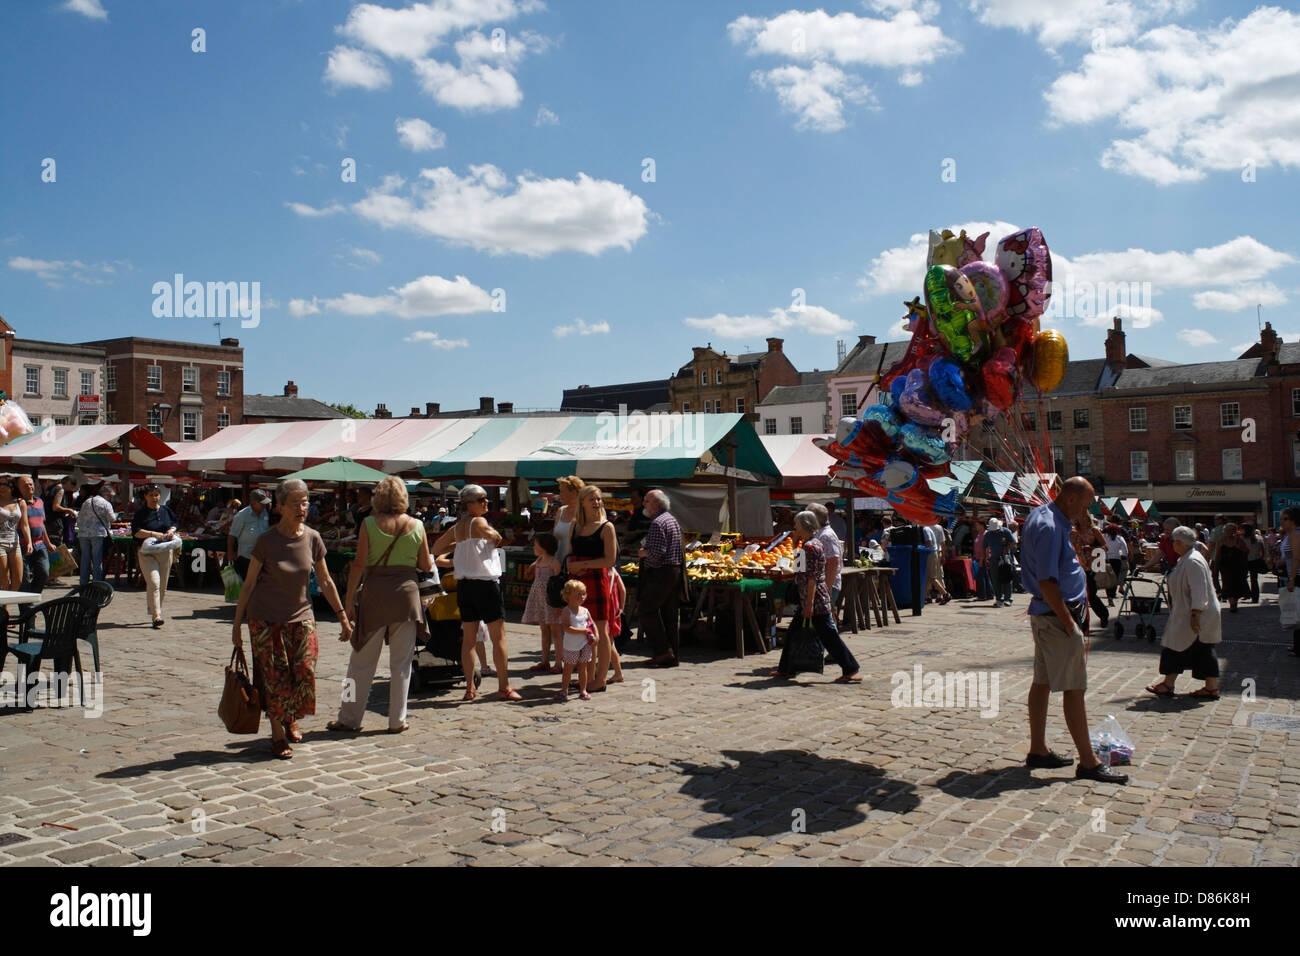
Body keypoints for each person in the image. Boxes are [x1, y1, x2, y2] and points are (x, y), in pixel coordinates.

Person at [232, 479, 352, 759]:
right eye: (296, 503)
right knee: (275, 680)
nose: (302, 507)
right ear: (281, 507)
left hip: (301, 616)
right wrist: (237, 624)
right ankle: (277, 733)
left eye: (305, 502)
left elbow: (325, 580)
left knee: (305, 671)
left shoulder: (312, 537)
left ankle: (289, 715)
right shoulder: (266, 541)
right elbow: (248, 585)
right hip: (265, 620)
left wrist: (343, 617)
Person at [1020, 476, 1127, 784]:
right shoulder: (1051, 526)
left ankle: (1038, 748)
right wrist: (1070, 624)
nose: (1087, 510)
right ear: (1070, 499)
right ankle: (1088, 762)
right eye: (1085, 504)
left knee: (1041, 682)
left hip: (1048, 615)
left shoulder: (1044, 514)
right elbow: (1047, 581)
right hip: (1056, 617)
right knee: (1074, 687)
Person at [329, 476, 432, 734]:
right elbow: (426, 565)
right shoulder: (417, 525)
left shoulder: (369, 524)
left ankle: (349, 717)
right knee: (401, 662)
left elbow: (359, 564)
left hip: (375, 595)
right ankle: (397, 719)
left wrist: (349, 598)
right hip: (406, 598)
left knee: (359, 661)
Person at [430, 484, 521, 702]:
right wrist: (492, 534)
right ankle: (504, 686)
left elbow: (436, 550)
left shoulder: (458, 526)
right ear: (470, 504)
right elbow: (497, 538)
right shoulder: (479, 521)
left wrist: (462, 545)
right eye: (481, 499)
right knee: (499, 637)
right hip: (485, 584)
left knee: (468, 640)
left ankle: (470, 688)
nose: (486, 502)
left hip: (465, 587)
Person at [770, 510, 861, 683]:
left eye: (796, 524)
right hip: (808, 597)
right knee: (792, 633)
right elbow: (799, 570)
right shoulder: (808, 544)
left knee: (829, 636)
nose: (794, 527)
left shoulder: (811, 546)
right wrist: (795, 544)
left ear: (804, 525)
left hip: (815, 599)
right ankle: (786, 669)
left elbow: (811, 578)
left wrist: (809, 605)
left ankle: (850, 667)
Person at [1146, 526, 1221, 701]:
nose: (1171, 544)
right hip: (1186, 613)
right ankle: (1173, 683)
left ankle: (1176, 684)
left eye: (1173, 541)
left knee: (1190, 648)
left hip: (1196, 613)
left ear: (1179, 543)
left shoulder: (1193, 561)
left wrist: (1195, 614)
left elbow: (1198, 589)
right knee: (1184, 647)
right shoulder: (1186, 559)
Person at [566, 485, 624, 691]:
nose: (596, 502)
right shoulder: (576, 526)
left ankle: (600, 679)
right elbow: (570, 552)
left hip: (597, 580)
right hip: (579, 581)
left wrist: (582, 565)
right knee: (583, 631)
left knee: (601, 632)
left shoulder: (606, 527)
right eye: (591, 499)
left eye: (598, 499)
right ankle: (587, 678)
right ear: (582, 502)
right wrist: (572, 565)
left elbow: (610, 560)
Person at [639, 489, 684, 668]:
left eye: (647, 501)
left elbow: (657, 554)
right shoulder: (671, 519)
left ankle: (662, 651)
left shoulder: (658, 523)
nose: (644, 504)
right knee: (669, 614)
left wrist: (644, 554)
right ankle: (673, 654)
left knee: (647, 610)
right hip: (673, 571)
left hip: (661, 572)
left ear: (656, 504)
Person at [131, 484, 179, 628]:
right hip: (147, 552)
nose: (154, 498)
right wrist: (152, 534)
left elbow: (174, 522)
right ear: (145, 497)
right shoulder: (140, 513)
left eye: (156, 494)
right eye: (151, 495)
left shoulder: (165, 510)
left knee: (163, 585)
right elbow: (136, 532)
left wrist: (171, 530)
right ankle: (157, 615)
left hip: (164, 550)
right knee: (154, 582)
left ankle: (155, 610)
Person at [522, 532, 564, 674]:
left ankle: (559, 663)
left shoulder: (554, 562)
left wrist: (559, 604)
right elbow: (531, 569)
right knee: (544, 631)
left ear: (544, 547)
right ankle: (545, 661)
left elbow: (559, 584)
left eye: (536, 545)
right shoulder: (539, 560)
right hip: (539, 599)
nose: (533, 547)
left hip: (551, 601)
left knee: (556, 632)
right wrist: (531, 569)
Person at [555, 579, 596, 701]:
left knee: (583, 667)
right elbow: (567, 628)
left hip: (585, 644)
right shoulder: (566, 611)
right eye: (577, 594)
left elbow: (591, 624)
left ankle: (583, 690)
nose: (581, 596)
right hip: (572, 645)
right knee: (568, 668)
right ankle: (564, 690)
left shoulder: (585, 611)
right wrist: (583, 631)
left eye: (583, 593)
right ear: (568, 596)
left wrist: (596, 634)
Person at [1072, 516, 1109, 629]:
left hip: (1090, 566)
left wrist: (1092, 548)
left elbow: (1105, 547)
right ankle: (1082, 623)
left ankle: (1104, 615)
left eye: (1083, 517)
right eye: (1079, 517)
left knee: (1091, 595)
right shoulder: (1073, 531)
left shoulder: (1094, 531)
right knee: (1078, 596)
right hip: (1076, 566)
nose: (1081, 519)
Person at [226, 490, 272, 581]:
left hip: (262, 557)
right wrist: (230, 553)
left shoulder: (265, 513)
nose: (264, 505)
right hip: (246, 557)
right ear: (253, 503)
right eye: (261, 503)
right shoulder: (242, 515)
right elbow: (232, 536)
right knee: (247, 585)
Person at [76, 482, 116, 585]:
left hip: (83, 533)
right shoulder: (106, 503)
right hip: (98, 533)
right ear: (106, 494)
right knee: (97, 559)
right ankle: (96, 582)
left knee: (85, 559)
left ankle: (83, 582)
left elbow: (79, 517)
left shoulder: (87, 501)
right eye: (110, 496)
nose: (111, 498)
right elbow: (112, 518)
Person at [18, 476, 50, 594]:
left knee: (44, 572)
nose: (29, 487)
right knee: (24, 578)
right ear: (19, 488)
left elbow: (42, 524)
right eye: (25, 485)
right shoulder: (18, 503)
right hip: (22, 545)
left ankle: (31, 596)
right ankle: (27, 609)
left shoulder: (40, 501)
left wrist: (48, 542)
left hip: (39, 544)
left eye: (30, 484)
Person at [808, 503, 843, 609]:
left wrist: (827, 589)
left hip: (827, 586)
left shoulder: (826, 535)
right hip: (823, 586)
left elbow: (833, 562)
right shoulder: (821, 533)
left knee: (823, 620)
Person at [0, 478, 29, 592]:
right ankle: (5, 609)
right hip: (0, 542)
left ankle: (4, 605)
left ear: (11, 486)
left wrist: (29, 542)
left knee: (18, 579)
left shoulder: (20, 502)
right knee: (4, 580)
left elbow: (25, 525)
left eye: (4, 484)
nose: (1, 486)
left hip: (14, 542)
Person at [1216, 522, 1249, 613]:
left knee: (1236, 585)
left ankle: (1234, 602)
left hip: (1237, 567)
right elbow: (1218, 555)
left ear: (1234, 531)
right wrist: (1216, 566)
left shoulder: (1239, 541)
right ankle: (1232, 604)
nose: (1228, 532)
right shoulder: (1221, 541)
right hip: (1225, 567)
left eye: (1230, 531)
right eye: (1227, 530)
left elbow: (1246, 551)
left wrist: (1240, 548)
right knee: (1227, 584)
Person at [552, 475, 584, 566]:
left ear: (574, 492)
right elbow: (554, 540)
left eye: (562, 491)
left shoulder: (585, 512)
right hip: (558, 565)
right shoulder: (561, 511)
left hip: (576, 565)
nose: (560, 494)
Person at [1281, 508, 1300, 657]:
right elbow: (1288, 557)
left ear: (1293, 520)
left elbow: (1296, 558)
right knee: (1296, 610)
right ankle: (1297, 645)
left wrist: (1292, 579)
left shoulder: (1295, 534)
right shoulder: (1289, 535)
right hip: (1294, 575)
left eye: (1285, 518)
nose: (1282, 521)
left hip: (1298, 576)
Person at [984, 518, 1016, 607]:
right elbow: (984, 546)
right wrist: (985, 558)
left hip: (1005, 558)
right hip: (993, 559)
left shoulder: (1006, 531)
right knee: (995, 579)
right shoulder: (988, 534)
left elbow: (1013, 542)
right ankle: (999, 598)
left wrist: (1006, 549)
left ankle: (1008, 598)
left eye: (997, 530)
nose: (995, 531)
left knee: (1006, 578)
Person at [924, 522, 951, 604]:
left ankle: (941, 595)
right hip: (937, 552)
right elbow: (943, 543)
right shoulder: (938, 527)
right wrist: (943, 555)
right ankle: (933, 596)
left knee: (933, 576)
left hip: (932, 552)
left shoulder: (927, 527)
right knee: (936, 575)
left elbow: (943, 543)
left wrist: (943, 555)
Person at [1103, 524, 1128, 606]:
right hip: (1117, 560)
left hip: (1106, 560)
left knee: (1108, 578)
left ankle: (1109, 596)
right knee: (1115, 578)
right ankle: (1112, 596)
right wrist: (1122, 555)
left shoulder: (1104, 537)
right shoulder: (1120, 538)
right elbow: (1125, 551)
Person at [1241, 523, 1265, 604]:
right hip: (1255, 560)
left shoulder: (1242, 539)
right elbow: (1263, 551)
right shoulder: (1259, 538)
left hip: (1245, 560)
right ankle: (1255, 598)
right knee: (1254, 580)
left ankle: (1247, 593)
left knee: (1243, 577)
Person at [972, 518, 993, 601]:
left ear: (982, 526)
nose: (976, 527)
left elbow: (987, 548)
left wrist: (983, 559)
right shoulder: (979, 534)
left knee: (981, 577)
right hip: (978, 558)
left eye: (977, 525)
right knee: (985, 577)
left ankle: (982, 595)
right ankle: (989, 594)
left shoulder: (985, 534)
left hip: (984, 558)